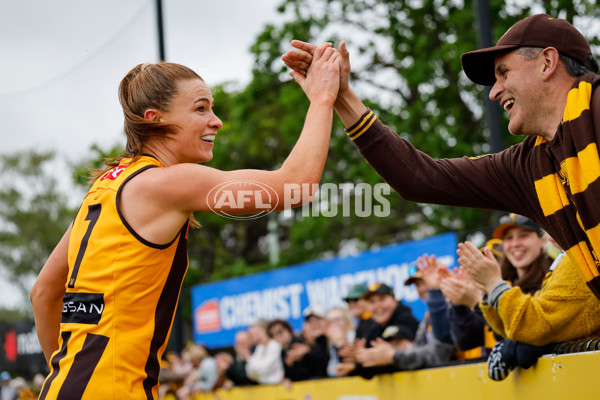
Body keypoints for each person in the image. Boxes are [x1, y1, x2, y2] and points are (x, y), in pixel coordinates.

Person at [30, 45, 340, 400]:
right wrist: (322, 98)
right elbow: (296, 186)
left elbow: (43, 293)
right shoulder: (167, 183)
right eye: (201, 108)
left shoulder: (107, 187)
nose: (216, 120)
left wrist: (69, 370)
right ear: (154, 117)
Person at [282, 14, 600, 300]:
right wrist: (342, 97)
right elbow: (421, 179)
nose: (493, 91)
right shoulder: (528, 165)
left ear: (547, 62)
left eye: (504, 73)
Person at [245, 320, 284, 385]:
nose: (256, 337)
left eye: (257, 333)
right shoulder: (259, 348)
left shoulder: (275, 345)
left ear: (265, 330)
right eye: (252, 335)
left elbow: (263, 369)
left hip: (278, 387)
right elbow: (250, 374)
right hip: (264, 388)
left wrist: (248, 358)